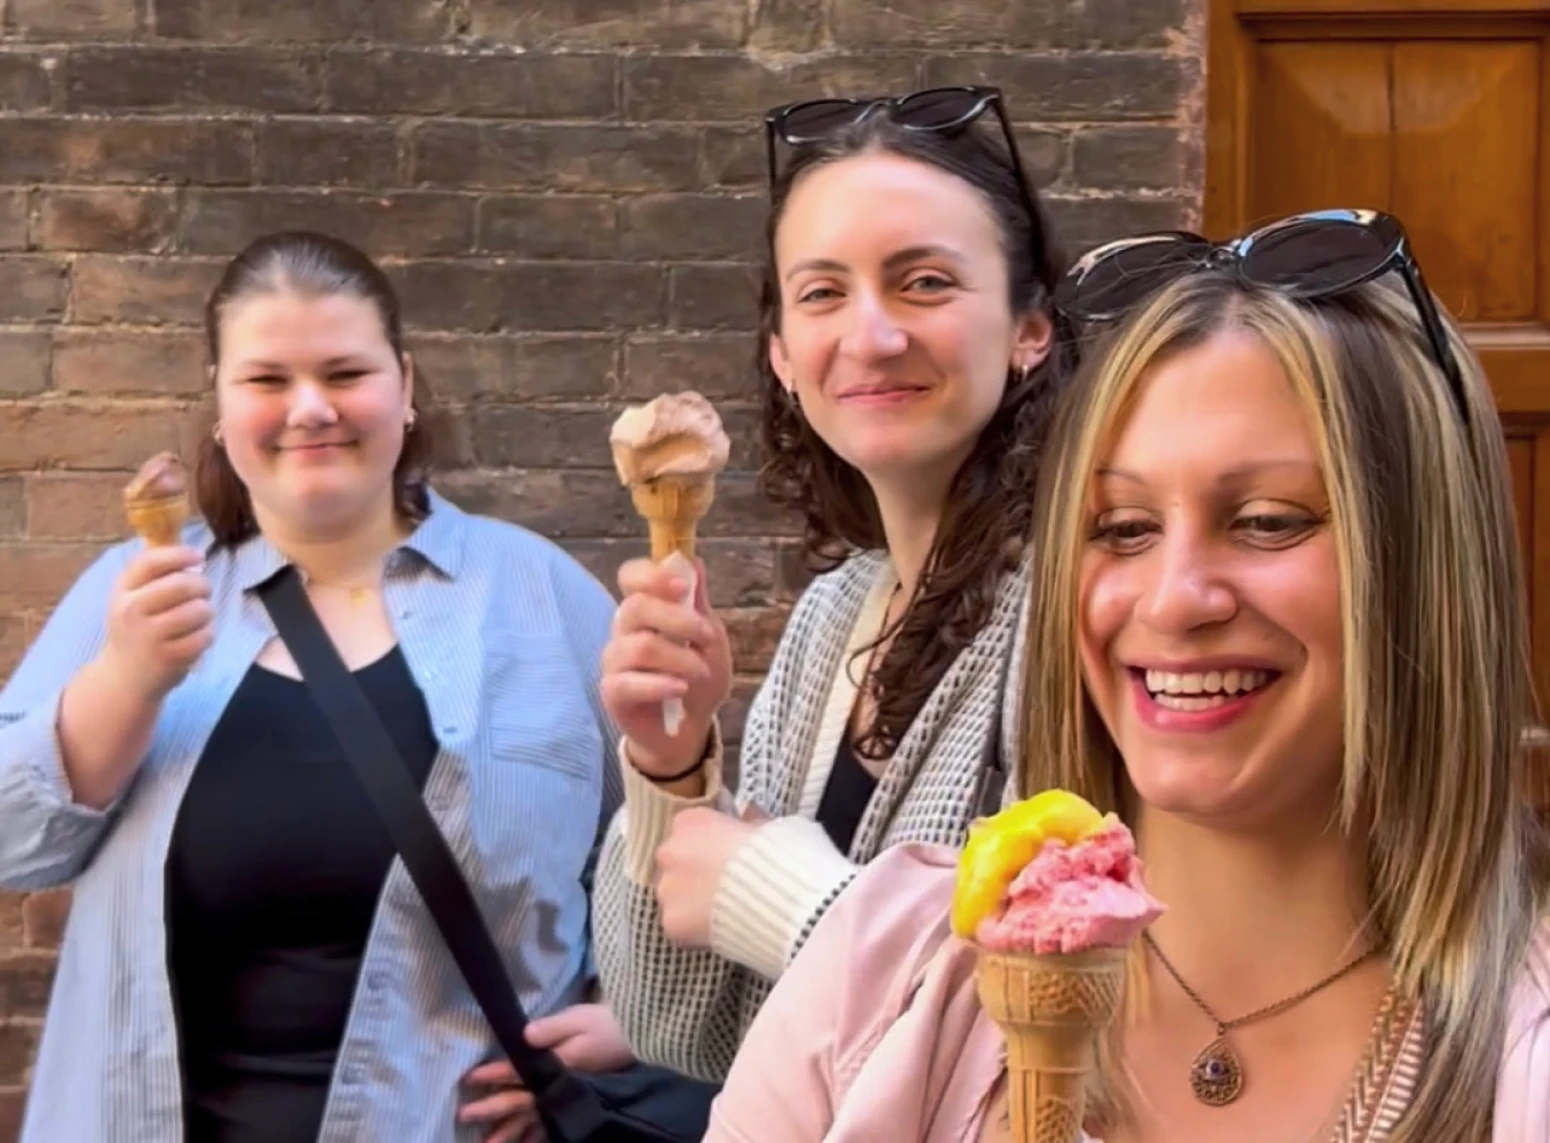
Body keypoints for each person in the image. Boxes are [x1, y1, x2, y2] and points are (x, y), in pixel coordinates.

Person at [701, 210, 1550, 1142]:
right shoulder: (881, 970)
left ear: (1429, 568)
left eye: (1268, 520)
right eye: (1121, 529)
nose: (1173, 599)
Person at [0, 231, 635, 1143]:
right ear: (219, 403)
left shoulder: (541, 597)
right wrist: (126, 679)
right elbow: (13, 846)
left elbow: (664, 855)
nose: (309, 409)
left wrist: (632, 1030)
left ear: (405, 385)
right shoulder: (131, 591)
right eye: (266, 380)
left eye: (344, 372)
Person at [592, 85, 1077, 1081]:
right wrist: (674, 770)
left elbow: (1064, 1014)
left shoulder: (1079, 614)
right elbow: (678, 1028)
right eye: (821, 294)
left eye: (924, 283)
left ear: (1030, 326)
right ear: (780, 355)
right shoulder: (831, 620)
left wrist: (776, 889)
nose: (870, 335)